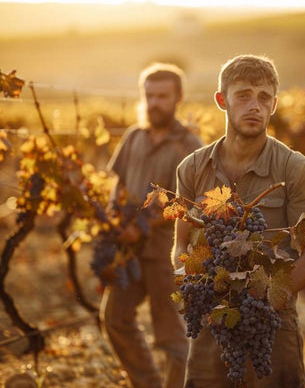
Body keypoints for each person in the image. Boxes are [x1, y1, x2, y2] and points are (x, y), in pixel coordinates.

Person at [173, 54, 305, 388]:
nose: (254, 106)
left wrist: (262, 300)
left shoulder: (294, 169)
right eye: (243, 95)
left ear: (274, 105)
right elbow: (181, 247)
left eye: (263, 97)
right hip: (214, 316)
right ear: (221, 100)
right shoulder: (192, 168)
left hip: (270, 322)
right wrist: (195, 283)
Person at [101, 63, 203, 388]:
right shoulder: (134, 137)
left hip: (166, 253)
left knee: (172, 339)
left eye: (162, 96)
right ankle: (147, 384)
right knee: (115, 319)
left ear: (178, 98)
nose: (154, 102)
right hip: (129, 249)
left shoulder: (190, 145)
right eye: (149, 95)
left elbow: (191, 204)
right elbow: (117, 183)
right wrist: (114, 216)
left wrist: (142, 226)